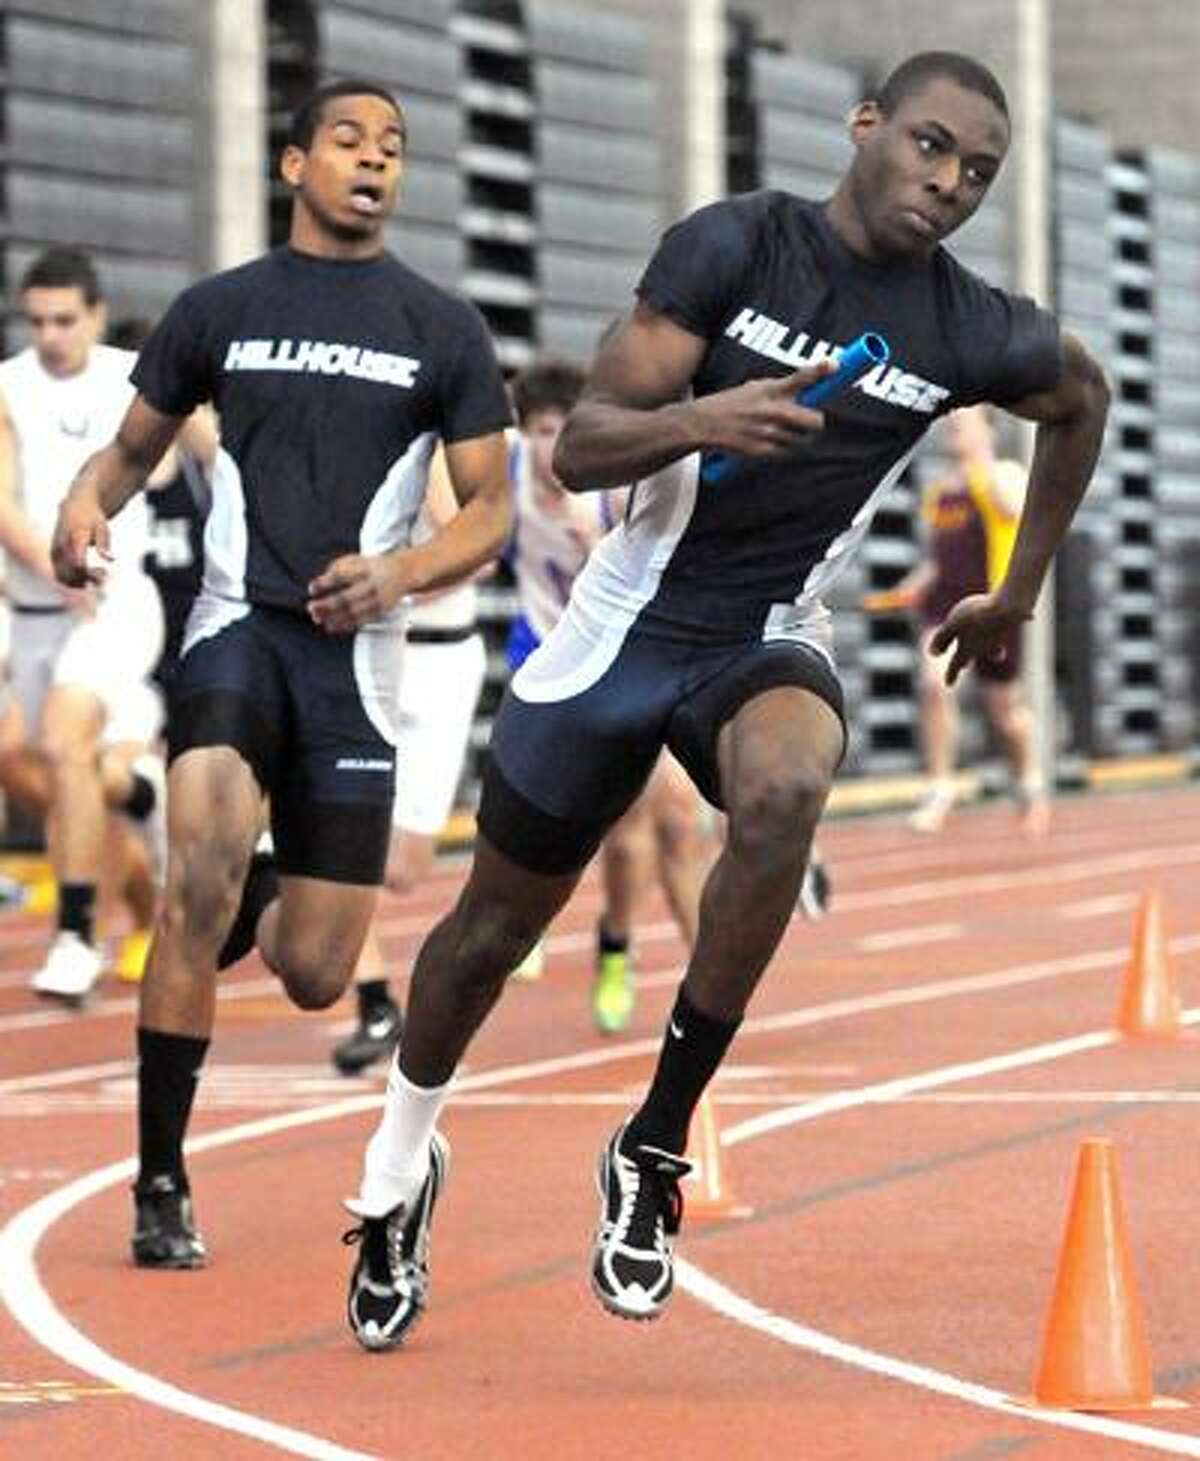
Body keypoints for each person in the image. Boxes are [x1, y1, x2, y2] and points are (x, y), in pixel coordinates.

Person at [341, 49, 1109, 1351]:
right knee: (481, 939)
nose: (949, 182)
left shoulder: (965, 323)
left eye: (977, 170)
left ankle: (652, 1149)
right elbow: (585, 442)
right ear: (865, 127)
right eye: (929, 145)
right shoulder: (735, 247)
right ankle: (396, 1170)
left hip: (761, 638)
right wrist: (712, 422)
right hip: (613, 639)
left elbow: (1081, 400)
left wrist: (1017, 591)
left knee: (793, 783)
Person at [50, 79, 512, 1270]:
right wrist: (80, 503)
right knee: (196, 864)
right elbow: (130, 448)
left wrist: (402, 574)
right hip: (235, 631)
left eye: (394, 149)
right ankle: (161, 1181)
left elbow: (492, 515)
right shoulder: (221, 309)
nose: (374, 162)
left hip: (354, 662)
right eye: (350, 142)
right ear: (295, 163)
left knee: (312, 968)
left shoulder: (443, 327)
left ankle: (253, 895)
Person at [502, 353, 711, 1034]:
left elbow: (663, 567)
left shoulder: (614, 492)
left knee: (671, 819)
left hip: (624, 659)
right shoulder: (504, 472)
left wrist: (602, 544)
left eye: (560, 430)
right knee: (604, 825)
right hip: (543, 657)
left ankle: (700, 986)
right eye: (536, 430)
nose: (546, 446)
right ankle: (552, 924)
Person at [0, 248, 168, 1001]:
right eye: (36, 321)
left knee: (65, 734)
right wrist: (52, 565)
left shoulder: (130, 378)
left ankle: (73, 935)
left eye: (64, 320)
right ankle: (139, 792)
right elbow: (2, 505)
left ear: (94, 316)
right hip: (35, 605)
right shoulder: (6, 388)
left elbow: (167, 457)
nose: (50, 335)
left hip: (114, 602)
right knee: (53, 765)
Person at [332, 449, 489, 1075]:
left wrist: (390, 587)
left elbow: (474, 553)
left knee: (401, 868)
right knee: (341, 839)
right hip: (369, 655)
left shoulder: (443, 448)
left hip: (440, 659)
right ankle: (375, 1003)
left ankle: (448, 992)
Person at [864, 403, 1048, 834]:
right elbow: (937, 561)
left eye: (964, 422)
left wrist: (981, 464)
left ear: (987, 429)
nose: (953, 428)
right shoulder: (941, 491)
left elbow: (1017, 512)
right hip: (944, 610)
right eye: (952, 423)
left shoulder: (1004, 474)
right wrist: (907, 588)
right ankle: (940, 787)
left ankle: (1029, 782)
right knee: (933, 685)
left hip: (992, 611)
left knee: (1005, 713)